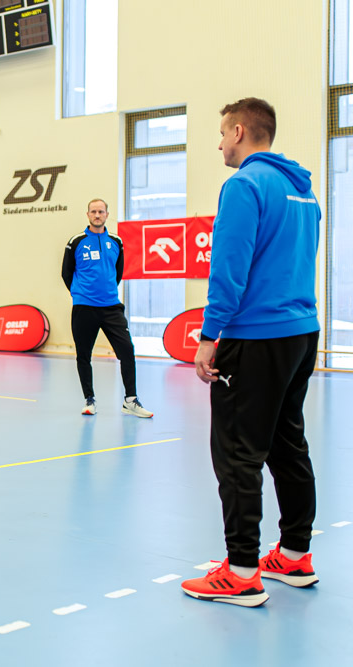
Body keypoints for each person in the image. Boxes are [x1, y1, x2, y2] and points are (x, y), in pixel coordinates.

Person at [182, 98, 321, 607]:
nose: (219, 144)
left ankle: (241, 571)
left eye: (222, 134)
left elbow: (229, 267)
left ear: (239, 131)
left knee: (238, 452)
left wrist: (209, 335)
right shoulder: (303, 192)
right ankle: (295, 555)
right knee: (287, 443)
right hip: (301, 333)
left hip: (256, 336)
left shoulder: (244, 185)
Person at [61, 199, 152, 418]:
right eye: (93, 211)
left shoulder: (116, 242)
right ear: (88, 214)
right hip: (84, 307)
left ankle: (130, 400)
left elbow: (118, 273)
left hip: (111, 307)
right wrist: (79, 293)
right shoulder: (76, 241)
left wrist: (106, 292)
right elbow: (66, 273)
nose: (97, 215)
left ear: (107, 214)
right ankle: (89, 399)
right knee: (84, 355)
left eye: (101, 211)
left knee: (127, 351)